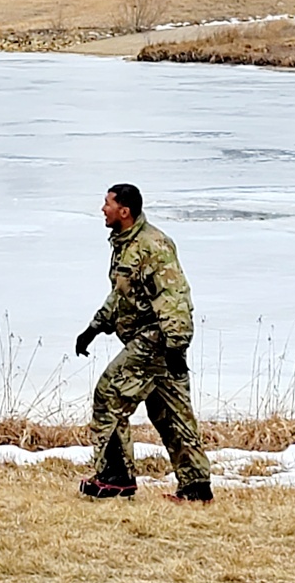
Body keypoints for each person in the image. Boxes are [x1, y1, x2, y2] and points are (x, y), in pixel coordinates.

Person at [74, 183, 213, 502]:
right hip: (154, 339)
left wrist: (176, 346)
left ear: (125, 211)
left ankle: (116, 477)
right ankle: (196, 487)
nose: (102, 209)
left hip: (157, 338)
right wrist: (94, 328)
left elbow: (173, 296)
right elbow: (123, 294)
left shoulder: (153, 245)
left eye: (107, 204)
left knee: (109, 394)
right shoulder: (125, 244)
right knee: (170, 412)